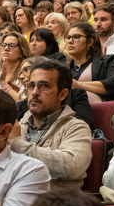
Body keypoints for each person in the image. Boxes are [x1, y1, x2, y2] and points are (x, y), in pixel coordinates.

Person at [10, 57, 92, 192]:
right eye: (31, 86)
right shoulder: (18, 125)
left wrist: (17, 143)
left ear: (62, 94)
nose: (35, 92)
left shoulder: (76, 128)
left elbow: (71, 166)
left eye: (44, 86)